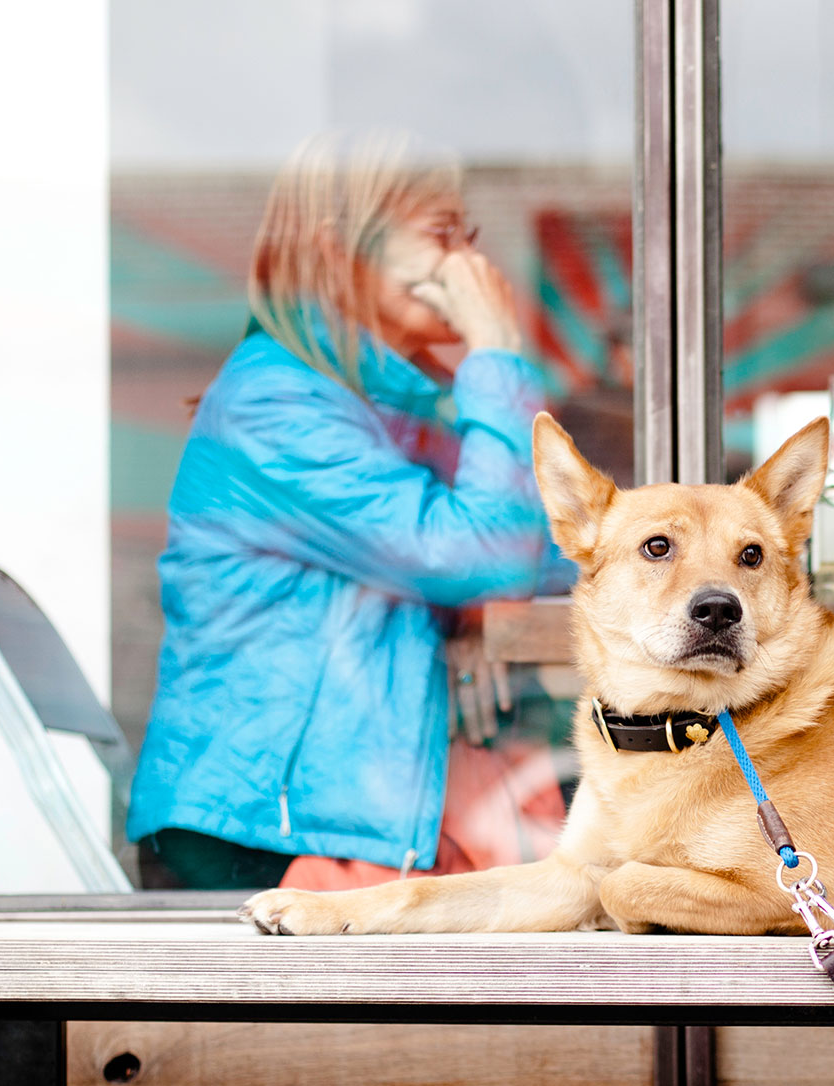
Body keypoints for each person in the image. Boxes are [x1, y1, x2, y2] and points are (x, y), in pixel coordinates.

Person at [127, 131, 574, 890]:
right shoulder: (278, 404)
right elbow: (480, 558)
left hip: (338, 824)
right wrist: (495, 352)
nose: (469, 266)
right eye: (440, 236)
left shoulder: (389, 406)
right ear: (340, 255)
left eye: (470, 239)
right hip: (258, 839)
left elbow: (535, 556)